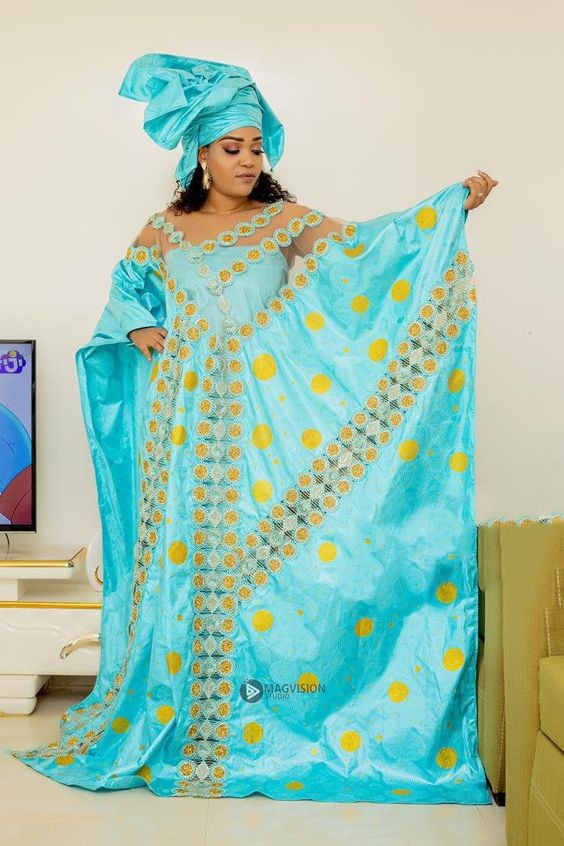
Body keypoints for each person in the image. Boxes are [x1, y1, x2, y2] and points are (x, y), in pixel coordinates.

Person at [7, 53, 499, 803]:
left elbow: (370, 248)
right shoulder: (165, 229)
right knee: (185, 558)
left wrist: (447, 209)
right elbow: (126, 286)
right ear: (199, 155)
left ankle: (263, 718)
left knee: (275, 562)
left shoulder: (284, 222)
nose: (247, 161)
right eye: (231, 147)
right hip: (181, 422)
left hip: (268, 421)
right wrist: (138, 327)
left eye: (257, 147)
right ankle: (179, 712)